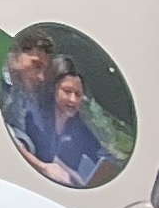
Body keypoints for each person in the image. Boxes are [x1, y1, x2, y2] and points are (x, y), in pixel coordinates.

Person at [38, 61, 116, 189]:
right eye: (67, 91)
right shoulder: (34, 116)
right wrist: (73, 176)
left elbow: (104, 158)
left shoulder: (79, 130)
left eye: (78, 94)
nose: (73, 100)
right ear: (53, 89)